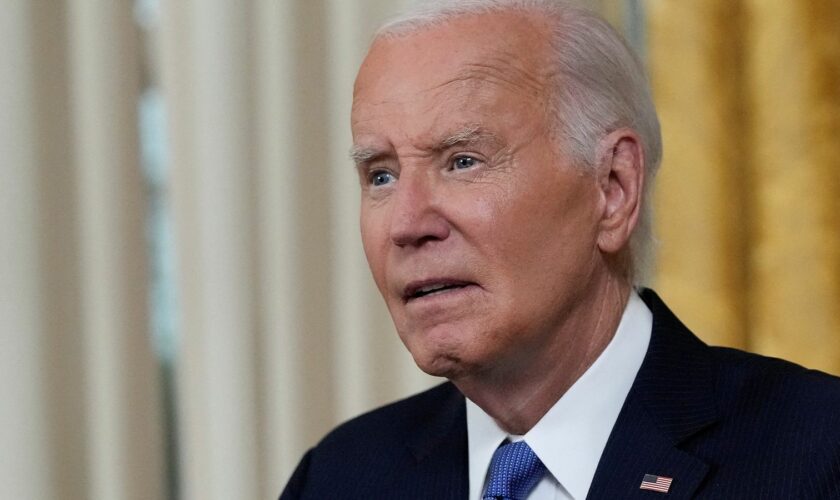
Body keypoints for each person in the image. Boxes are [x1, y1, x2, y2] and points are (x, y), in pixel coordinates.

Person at [281, 1, 840, 498]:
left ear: (613, 188)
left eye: (463, 161)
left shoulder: (816, 456)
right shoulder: (338, 476)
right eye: (380, 176)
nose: (406, 223)